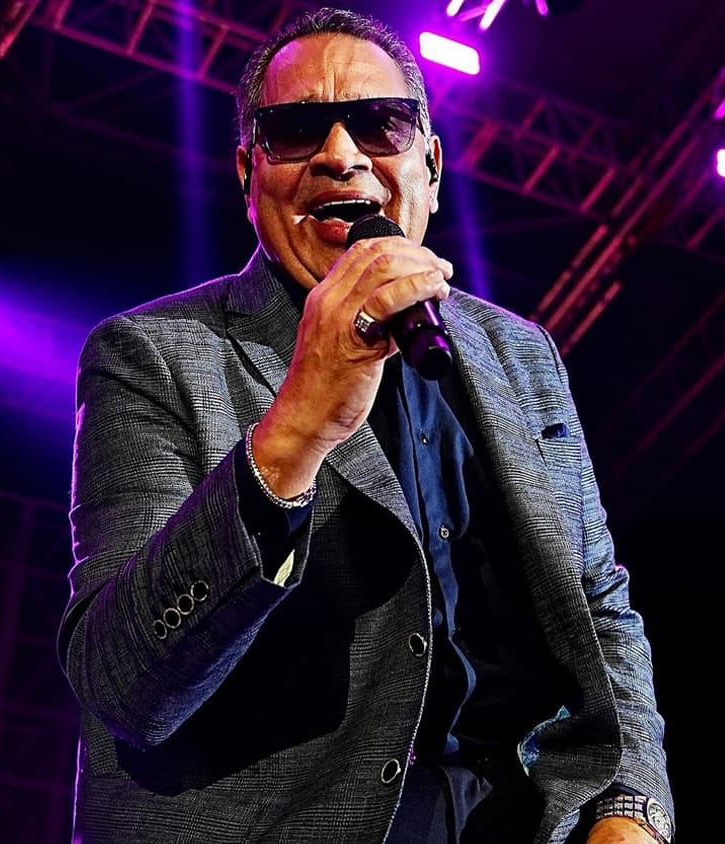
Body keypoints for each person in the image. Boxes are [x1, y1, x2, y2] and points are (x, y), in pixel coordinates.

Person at [59, 6, 674, 843]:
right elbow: (123, 684)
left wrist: (632, 806)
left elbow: (598, 605)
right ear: (248, 172)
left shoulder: (521, 355)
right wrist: (296, 427)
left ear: (431, 165)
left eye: (381, 123)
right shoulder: (151, 355)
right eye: (295, 130)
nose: (341, 154)